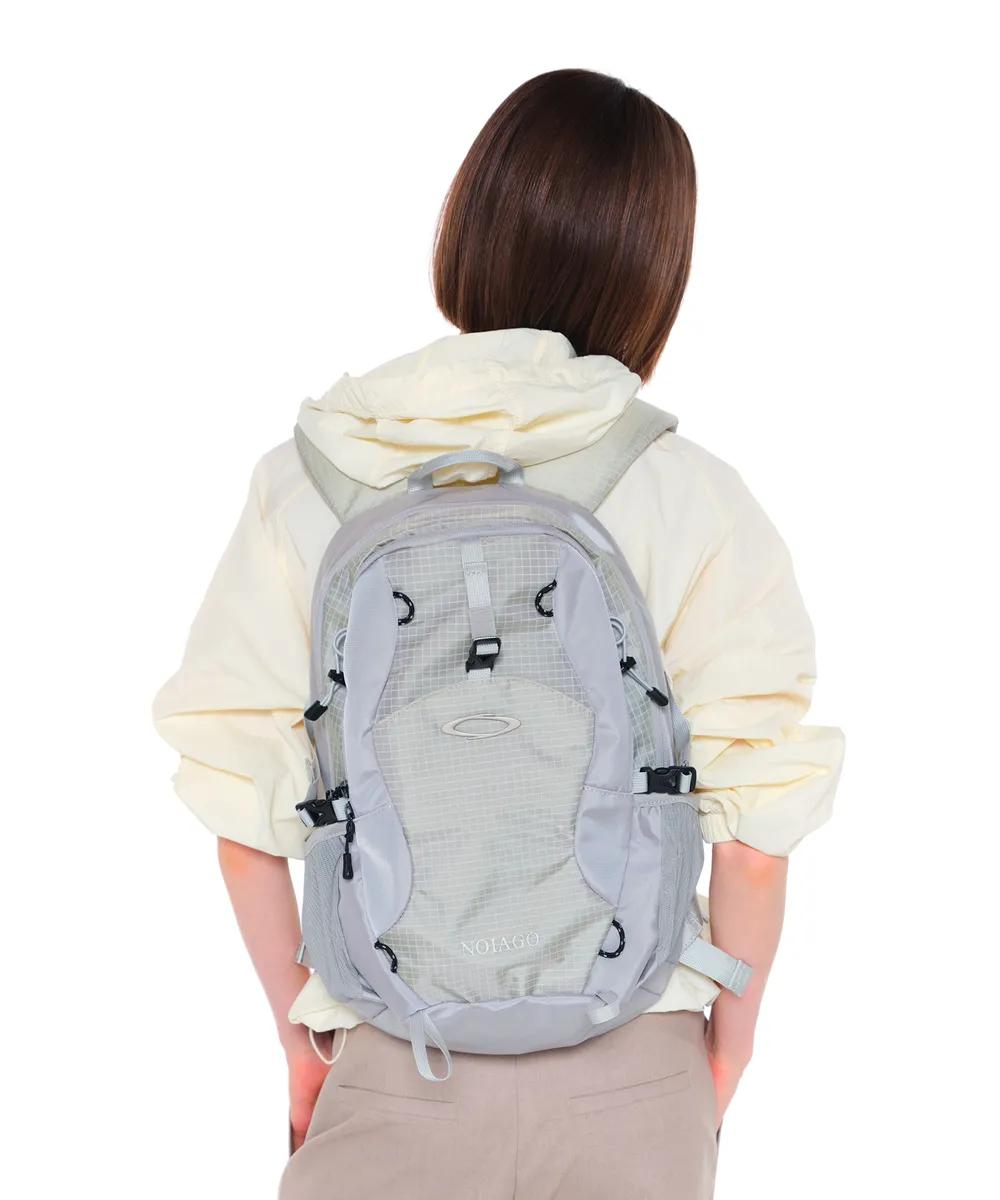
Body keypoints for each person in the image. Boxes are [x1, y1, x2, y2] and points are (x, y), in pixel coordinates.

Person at [154, 68, 844, 1199]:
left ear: (468, 225)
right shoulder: (692, 494)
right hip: (637, 1059)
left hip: (393, 1053)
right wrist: (729, 1047)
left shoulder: (309, 477)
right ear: (656, 272)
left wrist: (300, 1042)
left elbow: (239, 810)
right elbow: (757, 838)